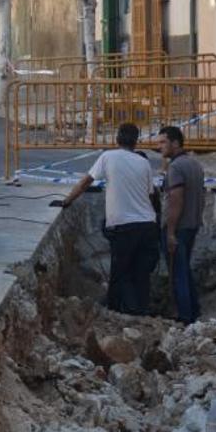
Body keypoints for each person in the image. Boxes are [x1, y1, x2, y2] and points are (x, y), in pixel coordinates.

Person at [52, 124, 158, 315]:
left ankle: (117, 313)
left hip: (124, 226)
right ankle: (141, 313)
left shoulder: (108, 157)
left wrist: (66, 201)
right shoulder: (144, 163)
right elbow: (150, 195)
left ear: (117, 139)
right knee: (141, 274)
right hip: (147, 225)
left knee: (120, 272)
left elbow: (86, 182)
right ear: (136, 141)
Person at [157, 126, 205, 324]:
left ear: (175, 143)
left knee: (178, 274)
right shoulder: (195, 164)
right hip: (192, 224)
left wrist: (170, 232)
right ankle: (194, 310)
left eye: (163, 142)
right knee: (184, 270)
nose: (159, 147)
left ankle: (185, 317)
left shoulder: (175, 168)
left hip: (179, 227)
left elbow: (176, 199)